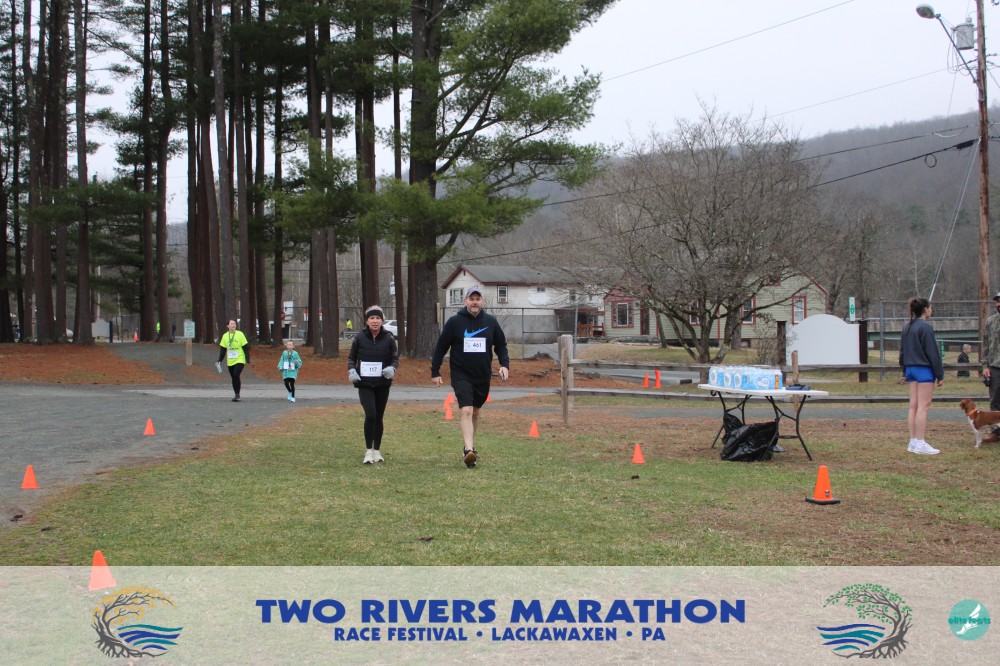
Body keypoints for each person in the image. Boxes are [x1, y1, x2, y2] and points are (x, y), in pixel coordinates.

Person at [431, 286, 510, 467]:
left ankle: (470, 447)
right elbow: (441, 347)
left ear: (482, 301)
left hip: (482, 374)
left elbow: (501, 345)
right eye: (471, 299)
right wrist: (435, 371)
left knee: (476, 411)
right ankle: (468, 450)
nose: (475, 302)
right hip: (461, 374)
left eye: (477, 299)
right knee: (466, 410)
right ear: (465, 301)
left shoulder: (491, 322)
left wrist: (505, 364)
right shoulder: (455, 322)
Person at [348, 306, 399, 464]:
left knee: (379, 417)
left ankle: (377, 450)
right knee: (370, 414)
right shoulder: (359, 338)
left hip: (382, 383)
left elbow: (395, 358)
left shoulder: (389, 338)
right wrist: (352, 370)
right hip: (364, 383)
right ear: (367, 321)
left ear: (382, 320)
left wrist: (392, 368)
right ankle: (368, 451)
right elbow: (351, 358)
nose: (375, 321)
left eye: (377, 318)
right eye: (372, 318)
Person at [898, 297, 943, 455]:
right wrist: (940, 374)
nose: (931, 310)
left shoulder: (907, 327)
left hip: (911, 369)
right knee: (923, 407)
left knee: (913, 406)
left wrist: (904, 371)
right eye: (930, 307)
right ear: (925, 309)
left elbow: (902, 351)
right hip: (923, 370)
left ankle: (913, 441)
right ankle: (920, 442)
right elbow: (933, 353)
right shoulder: (925, 327)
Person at [217, 319, 250, 402]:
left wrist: (247, 358)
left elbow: (245, 347)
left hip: (240, 358)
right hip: (230, 360)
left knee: (236, 374)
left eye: (234, 324)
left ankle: (238, 395)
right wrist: (219, 360)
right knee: (233, 377)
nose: (233, 325)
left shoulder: (240, 334)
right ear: (227, 326)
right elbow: (223, 350)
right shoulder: (225, 336)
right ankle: (236, 394)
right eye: (231, 324)